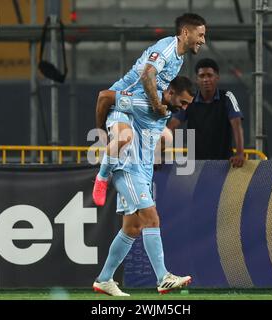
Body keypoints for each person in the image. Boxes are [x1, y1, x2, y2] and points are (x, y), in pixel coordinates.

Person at [92, 76, 195, 296]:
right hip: (128, 169)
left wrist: (159, 151)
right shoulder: (144, 101)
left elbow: (162, 134)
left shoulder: (165, 112)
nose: (184, 108)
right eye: (183, 102)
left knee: (132, 228)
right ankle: (163, 277)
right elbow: (105, 97)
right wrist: (102, 131)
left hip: (142, 171)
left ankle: (104, 279)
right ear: (170, 93)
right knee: (152, 219)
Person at [93, 13, 206, 206]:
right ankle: (102, 178)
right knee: (124, 137)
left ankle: (139, 174)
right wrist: (156, 105)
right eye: (201, 35)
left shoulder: (178, 58)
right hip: (124, 100)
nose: (203, 40)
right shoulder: (167, 49)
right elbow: (147, 75)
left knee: (166, 138)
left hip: (141, 108)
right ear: (186, 33)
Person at [167, 58, 245, 167]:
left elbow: (236, 125)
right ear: (196, 79)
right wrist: (157, 154)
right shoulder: (189, 100)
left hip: (224, 165)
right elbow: (173, 125)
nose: (205, 79)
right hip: (195, 166)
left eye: (209, 75)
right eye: (202, 76)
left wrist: (240, 153)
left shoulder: (227, 97)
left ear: (217, 77)